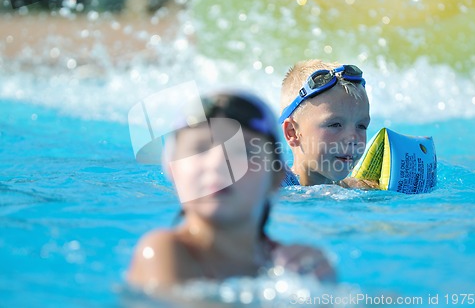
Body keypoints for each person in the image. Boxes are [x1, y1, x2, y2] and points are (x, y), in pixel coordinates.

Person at [127, 91, 335, 294]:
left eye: (243, 151)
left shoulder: (296, 265)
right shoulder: (163, 252)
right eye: (200, 149)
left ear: (276, 178)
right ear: (173, 171)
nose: (218, 164)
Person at [280, 59, 378, 188]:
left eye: (361, 126)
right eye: (335, 124)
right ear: (292, 132)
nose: (352, 139)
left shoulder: (365, 188)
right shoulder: (277, 193)